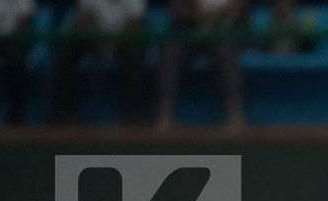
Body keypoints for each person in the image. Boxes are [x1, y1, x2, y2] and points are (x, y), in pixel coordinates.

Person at [53, 0, 148, 125]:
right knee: (66, 51)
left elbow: (136, 23)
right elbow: (82, 19)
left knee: (135, 54)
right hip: (94, 38)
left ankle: (132, 117)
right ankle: (67, 116)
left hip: (124, 40)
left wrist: (115, 42)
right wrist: (101, 40)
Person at [156, 0, 245, 129]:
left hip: (222, 29)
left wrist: (219, 18)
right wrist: (203, 16)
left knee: (225, 50)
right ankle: (165, 114)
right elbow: (178, 10)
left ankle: (234, 114)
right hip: (187, 30)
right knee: (170, 50)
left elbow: (239, 6)